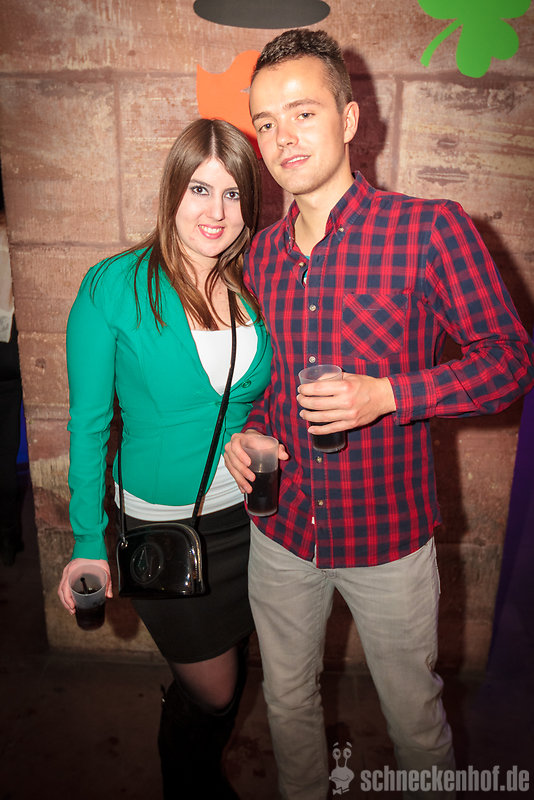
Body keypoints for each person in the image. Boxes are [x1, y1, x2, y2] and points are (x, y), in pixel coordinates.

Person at [224, 28, 534, 800]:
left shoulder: (430, 230)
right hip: (281, 534)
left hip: (388, 540)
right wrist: (242, 432)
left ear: (351, 119)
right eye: (265, 123)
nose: (283, 138)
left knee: (415, 721)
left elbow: (511, 360)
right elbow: (252, 383)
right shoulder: (257, 257)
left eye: (303, 113)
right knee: (286, 703)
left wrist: (389, 394)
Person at [58, 118, 272, 798]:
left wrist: (261, 435)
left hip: (252, 522)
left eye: (233, 194)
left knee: (235, 666)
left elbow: (258, 400)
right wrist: (88, 541)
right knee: (214, 691)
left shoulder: (256, 285)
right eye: (200, 189)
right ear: (172, 190)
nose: (217, 212)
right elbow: (88, 426)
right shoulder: (112, 286)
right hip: (162, 527)